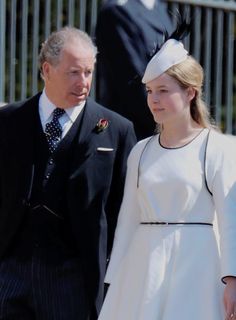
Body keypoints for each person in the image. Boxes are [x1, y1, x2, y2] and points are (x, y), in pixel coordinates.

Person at [98, 21, 236, 320]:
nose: (154, 100)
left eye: (163, 90)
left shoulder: (217, 148)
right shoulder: (141, 150)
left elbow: (230, 220)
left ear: (190, 93)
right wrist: (113, 283)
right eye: (149, 91)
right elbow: (127, 220)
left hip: (197, 272)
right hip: (142, 271)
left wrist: (232, 280)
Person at [0, 27, 136, 320]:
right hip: (9, 273)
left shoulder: (117, 131)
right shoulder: (8, 121)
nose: (84, 82)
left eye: (88, 72)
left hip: (75, 280)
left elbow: (122, 211)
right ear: (46, 69)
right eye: (74, 72)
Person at [95, 0, 173, 140]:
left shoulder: (158, 8)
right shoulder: (118, 10)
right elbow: (132, 81)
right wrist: (169, 124)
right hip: (134, 130)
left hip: (162, 124)